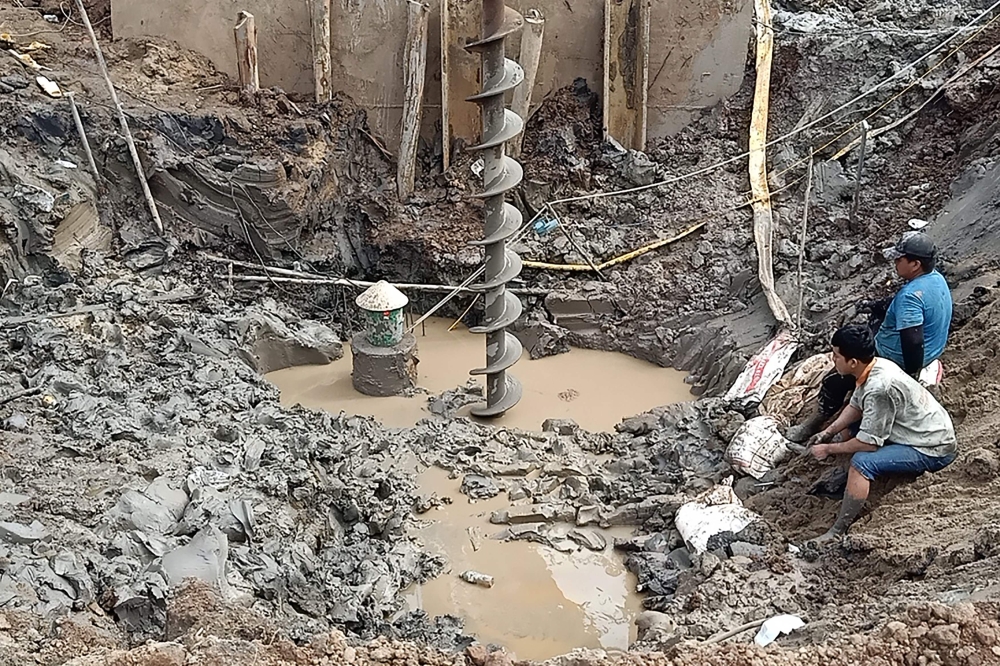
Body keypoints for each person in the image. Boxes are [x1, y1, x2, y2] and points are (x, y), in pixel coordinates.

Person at [786, 233, 953, 442]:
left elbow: (913, 341)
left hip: (898, 357)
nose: (895, 262)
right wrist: (877, 305)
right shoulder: (934, 279)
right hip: (932, 349)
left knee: (834, 381)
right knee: (874, 321)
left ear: (915, 264)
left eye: (899, 259)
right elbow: (904, 311)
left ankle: (814, 421)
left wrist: (910, 373)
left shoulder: (910, 297)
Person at [805, 324, 957, 545]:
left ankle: (838, 529)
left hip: (933, 447)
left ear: (853, 362)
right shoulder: (876, 365)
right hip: (922, 426)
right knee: (852, 429)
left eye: (836, 355)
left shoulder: (879, 389)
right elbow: (855, 406)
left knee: (862, 462)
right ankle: (845, 477)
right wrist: (828, 432)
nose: (833, 359)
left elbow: (868, 444)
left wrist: (828, 449)